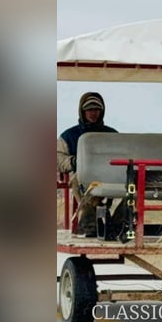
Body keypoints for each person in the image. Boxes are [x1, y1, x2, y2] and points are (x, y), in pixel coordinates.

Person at [57, 92, 119, 236]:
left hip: (109, 178)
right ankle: (95, 219)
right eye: (89, 109)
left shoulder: (113, 135)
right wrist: (73, 162)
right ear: (82, 111)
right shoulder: (69, 136)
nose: (93, 113)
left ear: (102, 111)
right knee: (78, 178)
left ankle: (103, 222)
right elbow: (56, 158)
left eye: (97, 109)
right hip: (82, 181)